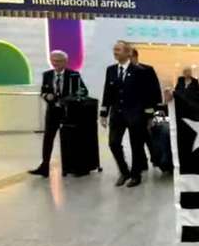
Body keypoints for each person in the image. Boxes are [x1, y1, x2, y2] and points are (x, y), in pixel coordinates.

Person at [99, 41, 158, 188]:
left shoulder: (141, 71)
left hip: (136, 114)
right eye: (114, 50)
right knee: (113, 143)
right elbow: (107, 91)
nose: (115, 52)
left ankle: (135, 175)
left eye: (118, 50)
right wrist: (104, 112)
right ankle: (124, 171)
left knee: (136, 146)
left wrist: (150, 115)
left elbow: (150, 95)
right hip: (117, 114)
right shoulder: (111, 70)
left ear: (128, 53)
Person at [29, 50, 88, 178]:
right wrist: (46, 96)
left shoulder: (74, 75)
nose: (55, 63)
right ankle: (44, 166)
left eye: (58, 61)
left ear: (65, 62)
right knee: (48, 139)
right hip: (53, 112)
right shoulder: (47, 75)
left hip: (68, 113)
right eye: (53, 60)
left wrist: (69, 99)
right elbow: (43, 91)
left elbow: (83, 91)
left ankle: (72, 167)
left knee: (69, 140)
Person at [131, 48, 162, 171]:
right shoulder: (124, 72)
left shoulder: (147, 70)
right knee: (137, 137)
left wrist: (152, 112)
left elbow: (155, 90)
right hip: (131, 111)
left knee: (148, 135)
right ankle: (142, 162)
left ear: (135, 56)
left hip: (146, 109)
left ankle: (156, 159)